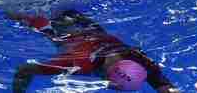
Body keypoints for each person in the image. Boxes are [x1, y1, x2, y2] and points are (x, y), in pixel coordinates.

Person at [9, 10, 178, 92]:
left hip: (86, 25)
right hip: (67, 37)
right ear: (107, 79)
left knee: (69, 14)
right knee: (31, 20)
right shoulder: (78, 65)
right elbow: (24, 70)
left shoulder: (139, 59)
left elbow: (165, 86)